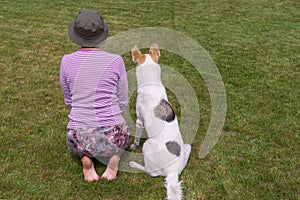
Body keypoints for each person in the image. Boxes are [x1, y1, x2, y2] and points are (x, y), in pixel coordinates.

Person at [60, 9, 130, 182]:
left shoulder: (66, 61)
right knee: (125, 134)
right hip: (112, 137)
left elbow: (68, 99)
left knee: (74, 136)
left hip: (79, 137)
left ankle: (86, 159)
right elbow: (123, 100)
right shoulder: (116, 61)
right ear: (102, 35)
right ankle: (113, 161)